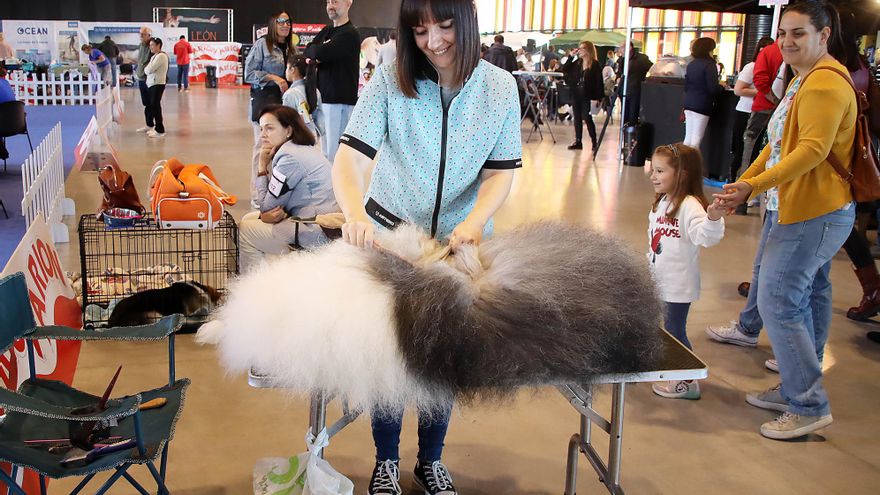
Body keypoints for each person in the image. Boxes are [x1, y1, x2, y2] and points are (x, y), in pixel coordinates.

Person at [331, 0, 522, 492]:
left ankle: (430, 460)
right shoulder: (391, 80)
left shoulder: (500, 88)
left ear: (468, 22)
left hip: (459, 247)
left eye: (445, 26)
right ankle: (386, 461)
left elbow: (500, 173)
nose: (434, 42)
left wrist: (475, 222)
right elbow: (350, 158)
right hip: (391, 240)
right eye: (420, 31)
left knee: (442, 355)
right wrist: (354, 214)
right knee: (390, 354)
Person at [714, 1, 856, 440]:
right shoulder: (802, 78)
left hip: (813, 211)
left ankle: (808, 404)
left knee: (779, 301)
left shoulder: (824, 83)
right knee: (808, 294)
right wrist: (748, 182)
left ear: (824, 34)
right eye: (782, 34)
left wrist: (753, 186)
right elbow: (775, 147)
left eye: (798, 33)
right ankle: (797, 386)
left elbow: (811, 151)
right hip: (792, 206)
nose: (787, 42)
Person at [648, 143, 726, 400]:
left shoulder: (690, 205)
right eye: (653, 170)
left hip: (678, 285)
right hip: (659, 281)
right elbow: (655, 243)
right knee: (664, 328)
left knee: (675, 331)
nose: (653, 176)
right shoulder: (663, 201)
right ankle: (670, 368)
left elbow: (706, 237)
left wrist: (713, 218)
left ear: (681, 174)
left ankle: (687, 381)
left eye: (660, 171)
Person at [239, 105, 338, 272]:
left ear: (289, 130)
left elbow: (267, 207)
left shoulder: (289, 158)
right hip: (324, 224)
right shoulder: (301, 148)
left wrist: (262, 167)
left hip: (315, 231)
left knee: (245, 231)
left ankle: (253, 284)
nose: (263, 134)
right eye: (261, 128)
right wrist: (266, 215)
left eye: (269, 128)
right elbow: (271, 207)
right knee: (249, 218)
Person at [245, 11, 295, 209]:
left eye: (288, 22)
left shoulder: (290, 48)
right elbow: (249, 73)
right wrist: (275, 78)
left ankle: (274, 193)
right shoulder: (262, 45)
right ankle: (257, 194)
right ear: (273, 24)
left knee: (280, 149)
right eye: (281, 21)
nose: (285, 25)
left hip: (284, 106)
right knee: (262, 148)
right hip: (264, 103)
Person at [304, 0, 360, 162]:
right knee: (325, 150)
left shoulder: (349, 33)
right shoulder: (327, 30)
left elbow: (319, 52)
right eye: (328, 2)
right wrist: (316, 53)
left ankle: (334, 179)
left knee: (334, 154)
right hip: (324, 98)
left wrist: (318, 54)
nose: (330, 6)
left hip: (339, 101)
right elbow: (309, 49)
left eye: (335, 1)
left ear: (348, 3)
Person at [729, 37, 774, 182]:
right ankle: (735, 181)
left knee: (755, 152)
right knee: (742, 151)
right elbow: (738, 90)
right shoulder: (751, 67)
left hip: (761, 114)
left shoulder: (773, 69)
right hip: (746, 112)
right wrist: (764, 92)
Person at [683, 37, 723, 149]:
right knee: (696, 140)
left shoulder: (692, 64)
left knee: (688, 139)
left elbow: (686, 86)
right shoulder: (709, 64)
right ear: (709, 50)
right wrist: (721, 87)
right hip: (702, 105)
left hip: (689, 104)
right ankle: (691, 160)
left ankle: (682, 159)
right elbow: (713, 88)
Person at [563, 41, 603, 151]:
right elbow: (565, 69)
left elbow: (599, 81)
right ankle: (578, 141)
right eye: (579, 48)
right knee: (577, 118)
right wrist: (571, 57)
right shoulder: (578, 63)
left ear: (588, 50)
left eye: (582, 48)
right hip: (576, 93)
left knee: (587, 117)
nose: (579, 50)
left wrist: (598, 98)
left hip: (588, 95)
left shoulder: (595, 64)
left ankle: (594, 141)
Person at [282, 55, 324, 140]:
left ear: (292, 69)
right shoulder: (315, 91)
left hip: (297, 139)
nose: (285, 71)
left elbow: (286, 121)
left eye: (287, 68)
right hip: (313, 136)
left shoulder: (290, 94)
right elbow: (320, 118)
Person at [619, 43, 653, 125]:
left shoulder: (642, 58)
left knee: (633, 116)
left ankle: (632, 130)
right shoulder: (622, 60)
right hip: (624, 91)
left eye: (622, 48)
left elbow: (652, 69)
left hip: (636, 91)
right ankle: (625, 131)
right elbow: (620, 73)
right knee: (624, 116)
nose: (620, 51)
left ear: (629, 48)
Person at [143, 37, 169, 138]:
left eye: (153, 45)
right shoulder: (154, 56)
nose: (151, 47)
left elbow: (149, 70)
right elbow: (147, 69)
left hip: (157, 84)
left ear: (158, 45)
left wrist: (147, 69)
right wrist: (147, 69)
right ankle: (156, 127)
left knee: (156, 106)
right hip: (152, 84)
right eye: (150, 45)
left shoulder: (161, 56)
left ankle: (160, 130)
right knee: (153, 106)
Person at [135, 27, 155, 134]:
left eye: (143, 34)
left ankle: (154, 126)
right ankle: (149, 124)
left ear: (149, 35)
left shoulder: (152, 45)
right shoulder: (141, 45)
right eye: (140, 34)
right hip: (141, 78)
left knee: (152, 103)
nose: (141, 36)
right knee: (146, 103)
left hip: (149, 79)